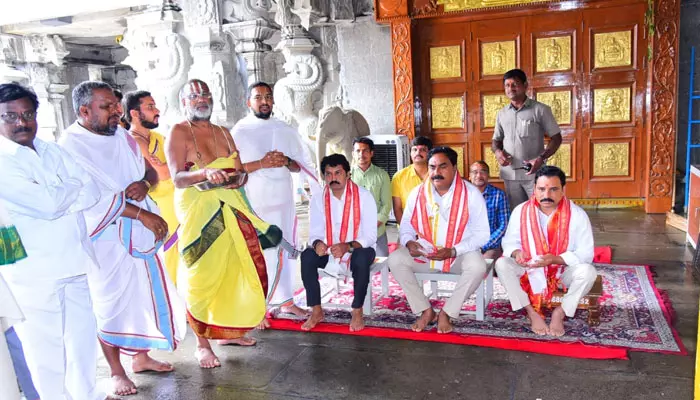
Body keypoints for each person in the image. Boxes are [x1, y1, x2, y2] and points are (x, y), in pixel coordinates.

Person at [60, 81, 186, 396]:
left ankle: (140, 359)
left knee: (140, 294)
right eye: (107, 108)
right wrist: (142, 214)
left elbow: (151, 173)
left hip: (137, 234)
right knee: (108, 302)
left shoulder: (122, 137)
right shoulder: (70, 146)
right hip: (102, 236)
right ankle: (116, 371)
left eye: (116, 107)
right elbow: (90, 198)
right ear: (84, 110)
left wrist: (144, 184)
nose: (117, 113)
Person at [166, 79, 283, 369]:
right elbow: (177, 179)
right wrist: (204, 174)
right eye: (193, 96)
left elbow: (240, 171)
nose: (200, 99)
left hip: (231, 206)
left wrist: (239, 177)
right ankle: (202, 344)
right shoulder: (179, 132)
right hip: (199, 212)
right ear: (184, 102)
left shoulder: (223, 132)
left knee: (233, 268)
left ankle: (228, 332)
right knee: (199, 276)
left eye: (205, 94)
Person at [0, 83, 105, 399]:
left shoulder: (50, 149)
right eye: (10, 116)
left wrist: (60, 194)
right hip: (35, 272)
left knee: (83, 347)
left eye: (28, 114)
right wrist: (67, 190)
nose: (22, 122)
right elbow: (47, 205)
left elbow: (92, 191)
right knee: (46, 355)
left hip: (75, 260)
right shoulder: (3, 161)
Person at [232, 82, 320, 326]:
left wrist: (287, 161)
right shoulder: (239, 132)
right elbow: (233, 170)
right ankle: (257, 306)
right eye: (258, 97)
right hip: (255, 203)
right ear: (248, 102)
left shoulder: (285, 129)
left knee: (283, 249)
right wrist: (262, 163)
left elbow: (301, 164)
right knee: (260, 252)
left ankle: (285, 300)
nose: (264, 101)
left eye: (268, 97)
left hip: (282, 200)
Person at [388, 147, 490, 334]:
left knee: (478, 267)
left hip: (458, 254)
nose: (436, 173)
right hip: (426, 253)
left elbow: (483, 234)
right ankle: (426, 310)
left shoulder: (471, 194)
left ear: (454, 168)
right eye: (432, 167)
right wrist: (410, 242)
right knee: (395, 259)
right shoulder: (418, 193)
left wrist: (453, 251)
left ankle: (447, 312)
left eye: (442, 167)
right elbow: (406, 225)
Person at [495, 165, 596, 337]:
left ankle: (560, 312)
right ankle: (531, 312)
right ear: (534, 189)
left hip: (562, 270)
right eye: (541, 189)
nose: (546, 195)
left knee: (588, 272)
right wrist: (516, 253)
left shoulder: (577, 215)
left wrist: (555, 260)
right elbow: (509, 242)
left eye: (553, 189)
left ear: (563, 190)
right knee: (501, 264)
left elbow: (586, 254)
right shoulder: (521, 211)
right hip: (529, 267)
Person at [301, 154, 377, 332]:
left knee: (360, 258)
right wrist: (318, 243)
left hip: (359, 248)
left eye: (338, 173)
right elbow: (314, 232)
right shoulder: (318, 198)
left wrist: (348, 246)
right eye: (328, 174)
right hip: (330, 250)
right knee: (307, 256)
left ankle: (357, 310)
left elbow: (371, 236)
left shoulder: (364, 196)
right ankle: (317, 310)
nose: (333, 178)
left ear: (348, 174)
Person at [124, 90, 181, 285]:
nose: (156, 111)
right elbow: (162, 174)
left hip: (178, 203)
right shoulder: (132, 141)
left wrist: (170, 167)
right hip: (158, 208)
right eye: (150, 107)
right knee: (170, 263)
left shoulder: (158, 137)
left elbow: (181, 165)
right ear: (134, 113)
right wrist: (172, 168)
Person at [492, 68, 562, 210]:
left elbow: (556, 138)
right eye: (507, 85)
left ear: (525, 86)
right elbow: (496, 141)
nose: (510, 88)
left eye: (515, 84)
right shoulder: (502, 113)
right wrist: (498, 152)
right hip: (510, 174)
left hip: (534, 174)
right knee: (518, 213)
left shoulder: (540, 110)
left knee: (541, 210)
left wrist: (541, 158)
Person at [351, 137, 392, 256]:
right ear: (353, 153)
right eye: (358, 151)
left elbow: (386, 204)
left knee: (383, 263)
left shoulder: (382, 175)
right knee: (354, 266)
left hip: (377, 230)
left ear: (371, 153)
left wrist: (376, 223)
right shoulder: (347, 176)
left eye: (365, 151)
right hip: (353, 231)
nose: (361, 154)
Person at [468, 161, 509, 259]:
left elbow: (504, 226)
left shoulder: (499, 195)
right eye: (475, 172)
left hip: (491, 245)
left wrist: (483, 246)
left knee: (482, 266)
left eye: (483, 172)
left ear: (488, 175)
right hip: (468, 245)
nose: (479, 175)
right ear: (469, 176)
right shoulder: (462, 195)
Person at [392, 136, 432, 224]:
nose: (418, 153)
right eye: (414, 150)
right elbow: (397, 209)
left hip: (434, 229)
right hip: (409, 229)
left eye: (422, 150)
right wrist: (406, 232)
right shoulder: (399, 177)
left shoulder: (436, 175)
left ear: (429, 153)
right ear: (410, 153)